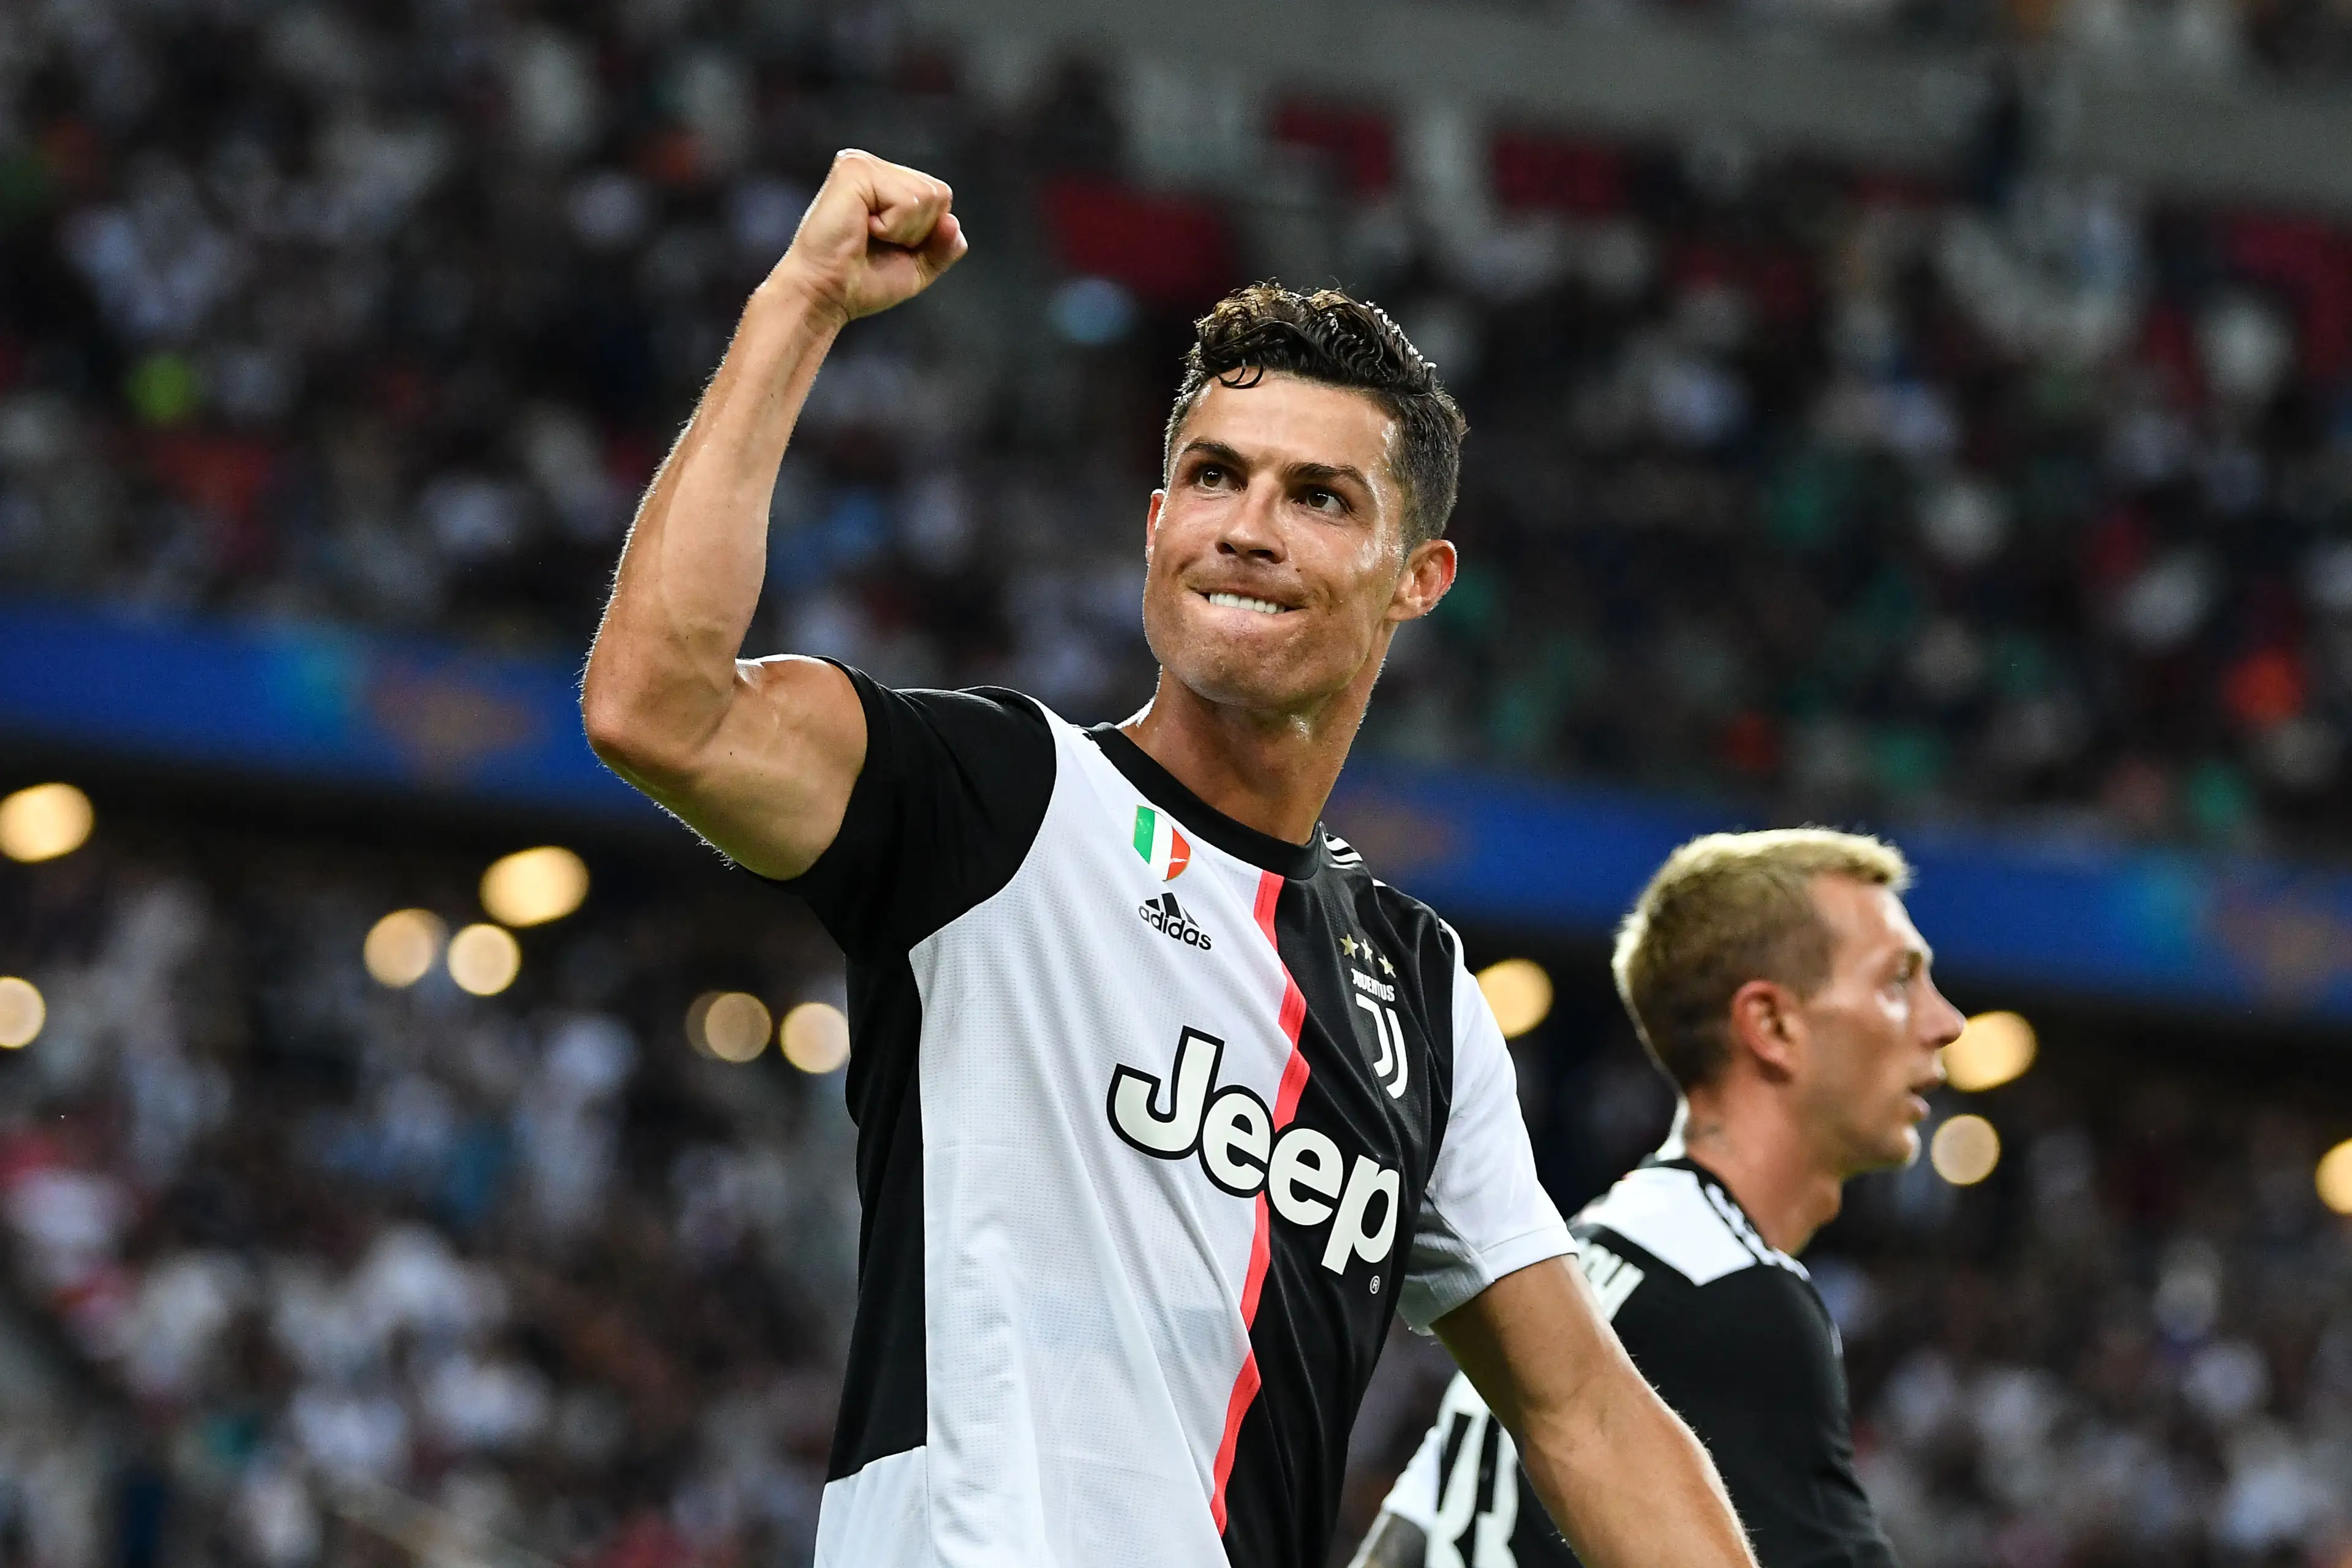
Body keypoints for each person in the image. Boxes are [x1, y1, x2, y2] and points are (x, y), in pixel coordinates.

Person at [581, 149, 1755, 1568]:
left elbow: (1582, 1409)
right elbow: (658, 705)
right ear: (1156, 529)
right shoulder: (997, 798)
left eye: (1318, 496)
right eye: (1212, 476)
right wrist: (798, 301)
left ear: (1416, 577)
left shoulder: (1419, 989)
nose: (1247, 527)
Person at [1350, 829, 1964, 1568]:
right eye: (1899, 981)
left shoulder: (1570, 1263)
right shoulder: (1740, 1302)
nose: (1946, 1022)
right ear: (1771, 1024)